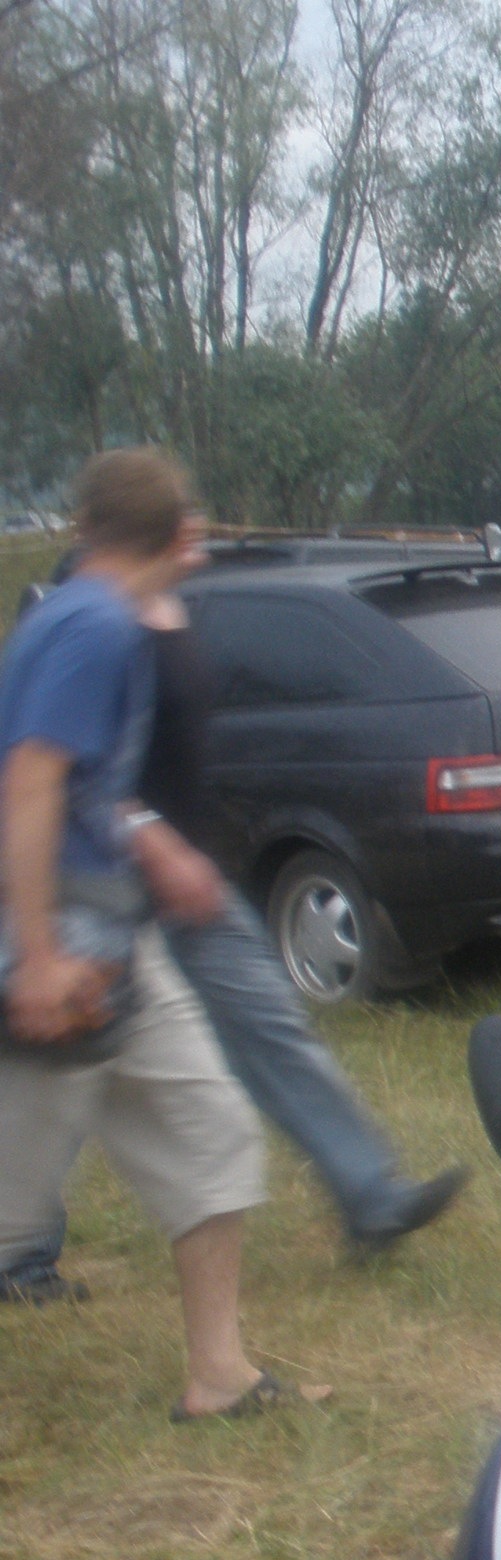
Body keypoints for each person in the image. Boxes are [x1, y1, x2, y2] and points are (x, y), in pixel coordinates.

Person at [9, 538, 468, 1262]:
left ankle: (370, 1197)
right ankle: (24, 1253)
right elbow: (77, 772)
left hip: (189, 880)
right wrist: (151, 841)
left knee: (269, 1026)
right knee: (66, 1064)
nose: (197, 529)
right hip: (106, 886)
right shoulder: (92, 617)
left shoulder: (175, 606)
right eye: (180, 519)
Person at [0, 449, 325, 1418]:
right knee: (10, 1203)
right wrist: (38, 955)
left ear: (88, 527)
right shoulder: (94, 627)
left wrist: (150, 853)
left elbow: (86, 788)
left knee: (209, 1133)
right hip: (59, 951)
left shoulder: (88, 619)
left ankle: (218, 1376)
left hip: (114, 943)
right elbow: (31, 784)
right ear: (179, 533)